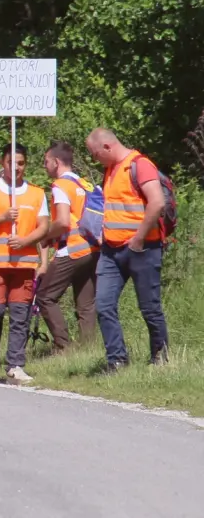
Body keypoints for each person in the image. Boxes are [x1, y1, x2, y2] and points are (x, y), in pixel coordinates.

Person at [85, 128, 169, 369]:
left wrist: (139, 238)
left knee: (149, 307)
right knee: (103, 304)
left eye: (95, 154)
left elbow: (157, 202)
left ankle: (160, 357)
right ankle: (117, 360)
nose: (94, 159)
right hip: (111, 250)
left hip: (142, 248)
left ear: (107, 147)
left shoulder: (139, 165)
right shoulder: (110, 170)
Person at [0, 144, 50, 383]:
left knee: (20, 315)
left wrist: (25, 240)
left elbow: (44, 226)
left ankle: (15, 363)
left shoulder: (36, 194)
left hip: (24, 264)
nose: (16, 167)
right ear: (2, 163)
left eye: (21, 163)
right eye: (11, 162)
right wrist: (3, 218)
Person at [34, 140, 99, 353]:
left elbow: (62, 221)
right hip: (93, 249)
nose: (45, 166)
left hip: (72, 249)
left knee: (45, 296)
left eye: (46, 162)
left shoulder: (60, 186)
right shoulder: (85, 184)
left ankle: (64, 347)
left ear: (56, 161)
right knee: (86, 303)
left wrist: (45, 236)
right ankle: (87, 350)